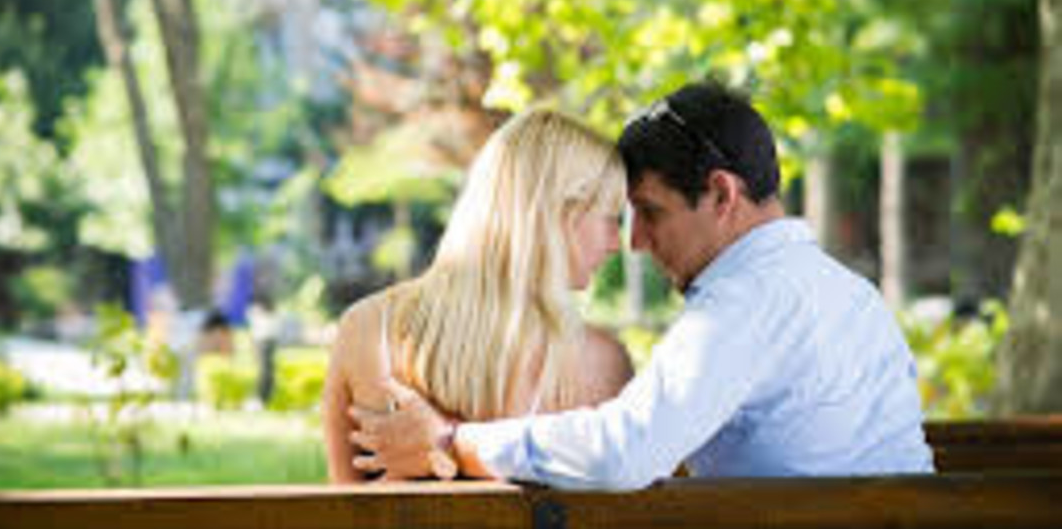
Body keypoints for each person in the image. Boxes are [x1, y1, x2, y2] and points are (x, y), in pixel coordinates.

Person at [347, 80, 934, 489]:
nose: (635, 243)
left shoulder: (744, 300)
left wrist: (452, 442)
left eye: (649, 213)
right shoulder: (847, 292)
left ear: (722, 195)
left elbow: (625, 454)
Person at [323, 108, 635, 483]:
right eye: (612, 218)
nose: (618, 243)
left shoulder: (367, 329)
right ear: (558, 214)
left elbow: (347, 505)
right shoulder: (600, 363)